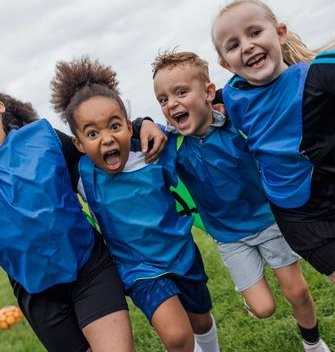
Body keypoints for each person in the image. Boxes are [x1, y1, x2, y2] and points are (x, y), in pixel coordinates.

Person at [152, 50, 331, 352]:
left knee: (297, 291)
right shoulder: (172, 145)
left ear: (209, 92)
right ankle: (254, 301)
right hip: (230, 237)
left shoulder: (238, 123)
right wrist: (146, 122)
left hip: (270, 221)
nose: (171, 104)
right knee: (264, 308)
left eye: (181, 92)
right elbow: (137, 137)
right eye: (163, 99)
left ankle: (313, 343)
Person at [211, 0, 335, 333]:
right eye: (234, 44)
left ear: (279, 33)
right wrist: (141, 124)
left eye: (254, 32)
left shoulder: (319, 77)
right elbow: (190, 101)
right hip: (301, 218)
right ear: (226, 64)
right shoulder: (233, 96)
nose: (247, 46)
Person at [50, 56, 220, 352]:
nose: (106, 138)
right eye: (92, 133)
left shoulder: (155, 150)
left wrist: (148, 123)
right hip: (139, 270)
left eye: (114, 126)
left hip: (182, 255)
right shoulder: (82, 175)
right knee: (178, 336)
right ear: (78, 145)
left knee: (201, 320)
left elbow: (196, 129)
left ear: (129, 127)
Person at [0, 92, 166, 352]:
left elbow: (96, 144)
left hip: (88, 267)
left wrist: (140, 124)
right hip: (38, 294)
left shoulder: (43, 139)